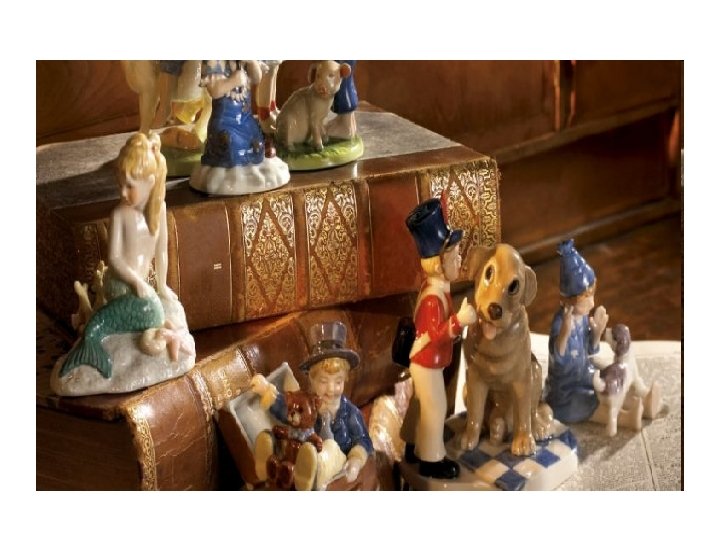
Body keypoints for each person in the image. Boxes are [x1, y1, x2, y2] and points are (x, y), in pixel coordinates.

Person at [60, 132, 176, 378]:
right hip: (120, 284)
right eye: (119, 184)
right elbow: (114, 259)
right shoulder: (120, 214)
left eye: (130, 186)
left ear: (150, 182)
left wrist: (162, 286)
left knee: (157, 309)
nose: (123, 192)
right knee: (154, 312)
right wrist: (136, 282)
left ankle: (100, 338)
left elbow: (161, 250)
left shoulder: (160, 209)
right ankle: (93, 345)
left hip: (141, 286)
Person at [400, 197, 477, 479]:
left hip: (426, 362)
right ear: (438, 265)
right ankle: (431, 460)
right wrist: (460, 321)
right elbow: (434, 335)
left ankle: (413, 445)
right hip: (426, 363)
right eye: (454, 257)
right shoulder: (433, 298)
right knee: (435, 408)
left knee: (422, 404)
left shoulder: (437, 288)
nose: (459, 260)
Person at [251, 321, 373, 490]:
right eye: (323, 381)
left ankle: (309, 473)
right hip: (297, 455)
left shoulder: (350, 413)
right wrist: (266, 390)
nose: (331, 389)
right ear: (312, 380)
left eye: (338, 382)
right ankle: (270, 461)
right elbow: (286, 409)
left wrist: (355, 461)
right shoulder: (306, 403)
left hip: (333, 464)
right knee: (281, 437)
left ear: (345, 380)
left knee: (329, 448)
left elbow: (363, 440)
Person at [545, 239, 609, 423]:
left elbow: (589, 350)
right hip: (567, 387)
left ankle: (631, 403)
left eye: (592, 297)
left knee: (607, 377)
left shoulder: (582, 318)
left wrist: (596, 334)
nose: (592, 304)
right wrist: (565, 333)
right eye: (586, 300)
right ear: (570, 301)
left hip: (583, 374)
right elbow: (558, 359)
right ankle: (622, 416)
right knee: (591, 400)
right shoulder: (560, 323)